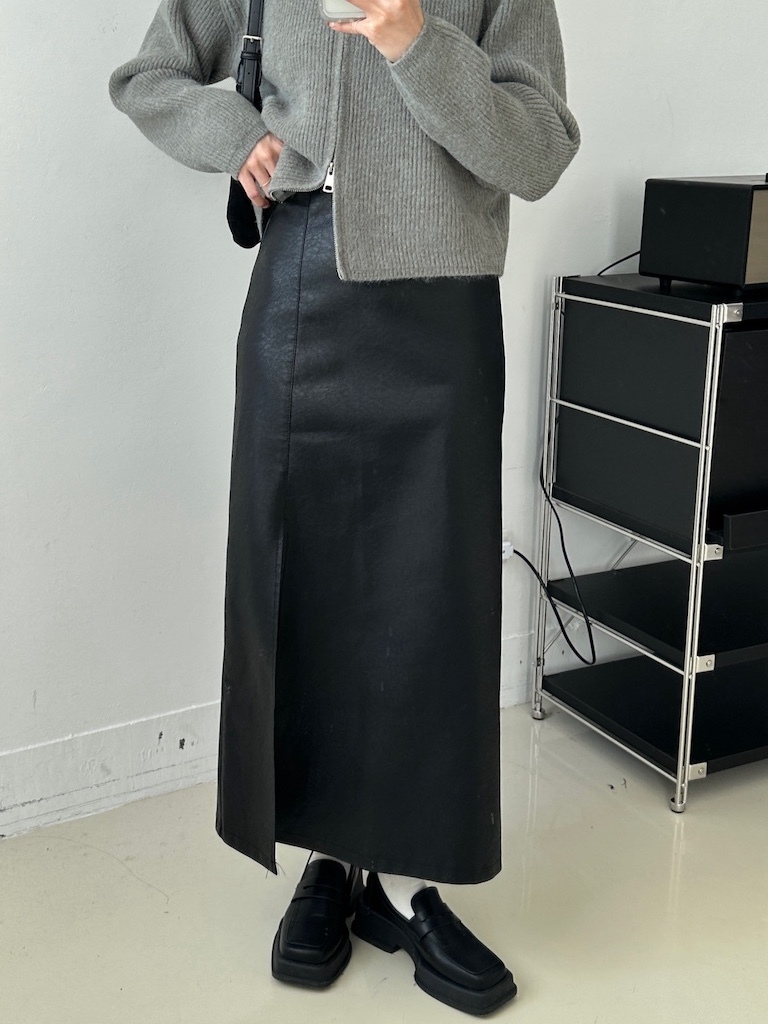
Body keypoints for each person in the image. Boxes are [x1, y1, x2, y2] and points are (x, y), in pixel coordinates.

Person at [108, 0, 580, 1014]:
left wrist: (414, 40)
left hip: (444, 309)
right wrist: (238, 137)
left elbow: (539, 151)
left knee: (429, 598)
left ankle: (404, 887)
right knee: (305, 583)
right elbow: (148, 76)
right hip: (300, 290)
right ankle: (328, 857)